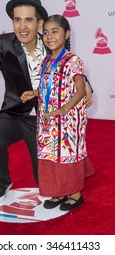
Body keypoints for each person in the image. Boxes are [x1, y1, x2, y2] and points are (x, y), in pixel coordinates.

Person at [0, 0, 93, 204]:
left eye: (28, 19)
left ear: (39, 23)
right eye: (17, 20)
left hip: (45, 117)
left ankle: (67, 190)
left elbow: (69, 66)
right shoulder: (3, 43)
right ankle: (3, 181)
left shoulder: (51, 41)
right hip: (15, 111)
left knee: (44, 178)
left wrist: (87, 85)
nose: (22, 26)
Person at [21, 14, 95, 211]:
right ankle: (59, 192)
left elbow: (80, 91)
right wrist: (34, 93)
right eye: (45, 33)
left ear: (67, 34)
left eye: (55, 32)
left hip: (68, 120)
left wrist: (63, 109)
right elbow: (49, 87)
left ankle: (75, 194)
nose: (49, 36)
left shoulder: (73, 61)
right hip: (47, 120)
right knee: (51, 155)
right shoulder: (46, 61)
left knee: (66, 154)